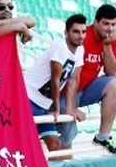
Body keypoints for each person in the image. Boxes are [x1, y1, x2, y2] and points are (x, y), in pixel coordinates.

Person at [23, 14, 86, 156]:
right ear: (66, 33)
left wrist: (72, 108)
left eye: (83, 32)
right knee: (24, 142)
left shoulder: (80, 50)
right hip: (28, 96)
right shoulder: (60, 46)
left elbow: (73, 80)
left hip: (43, 104)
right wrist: (57, 109)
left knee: (55, 144)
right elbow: (55, 80)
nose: (80, 36)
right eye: (76, 31)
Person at [70, 4, 116, 155]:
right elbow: (67, 72)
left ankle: (103, 136)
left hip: (86, 89)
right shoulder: (82, 34)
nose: (109, 28)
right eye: (106, 24)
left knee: (115, 84)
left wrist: (107, 45)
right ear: (95, 22)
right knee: (65, 132)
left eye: (113, 24)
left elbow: (111, 70)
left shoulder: (111, 39)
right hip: (68, 90)